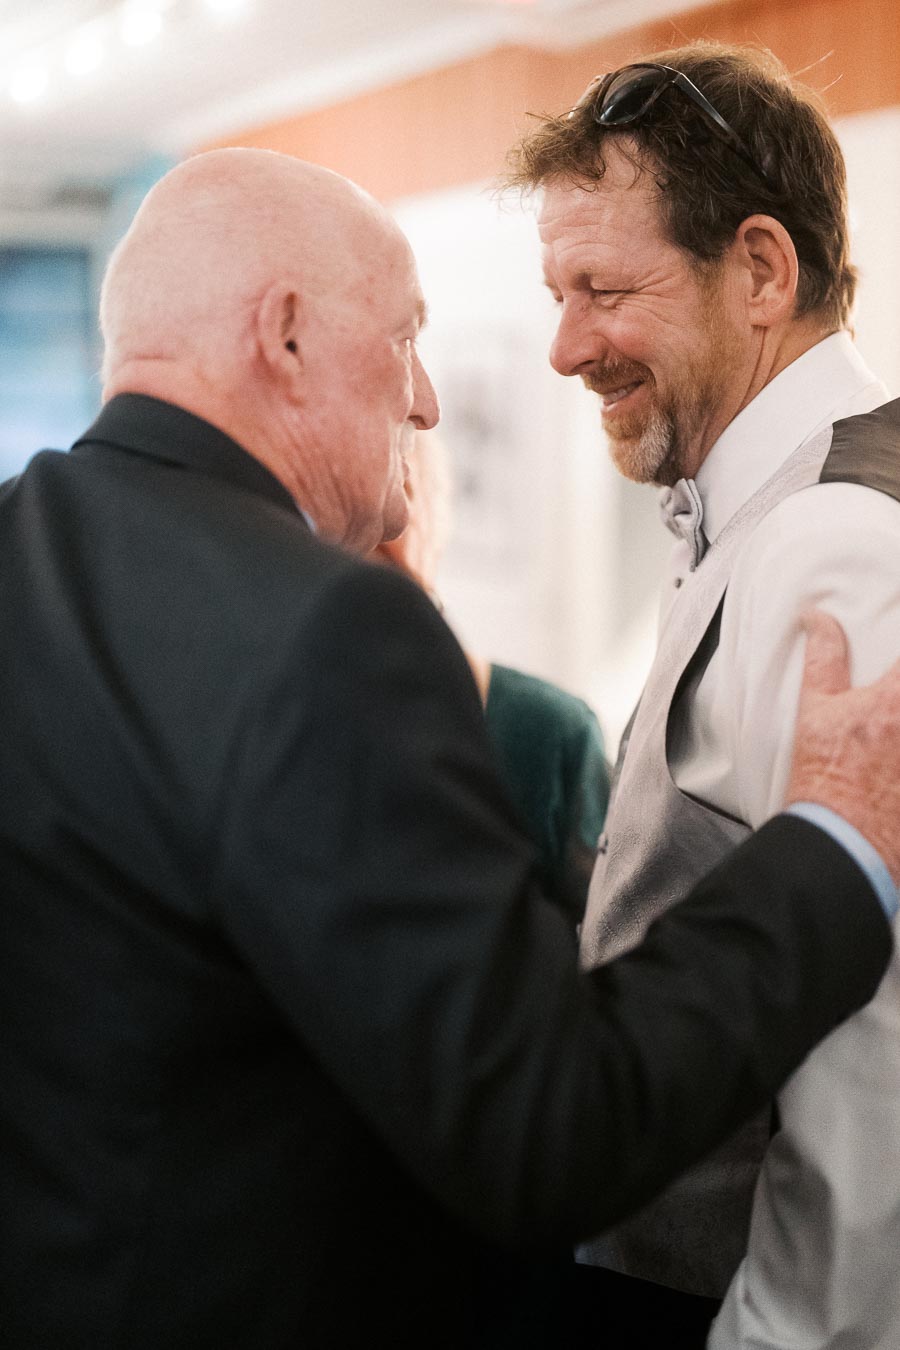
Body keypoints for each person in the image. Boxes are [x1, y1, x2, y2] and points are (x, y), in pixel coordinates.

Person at [0, 147, 897, 1350]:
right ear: (287, 337)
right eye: (407, 338)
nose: (426, 401)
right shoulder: (322, 629)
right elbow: (546, 1127)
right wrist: (836, 842)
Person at [507, 39, 900, 1348]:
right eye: (557, 293)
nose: (566, 347)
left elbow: (873, 1058)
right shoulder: (762, 511)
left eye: (604, 289)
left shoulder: (834, 539)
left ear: (761, 272)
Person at [375, 429, 610, 931]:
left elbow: (604, 952)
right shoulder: (278, 720)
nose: (386, 539)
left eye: (406, 503)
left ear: (438, 521)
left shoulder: (550, 734)